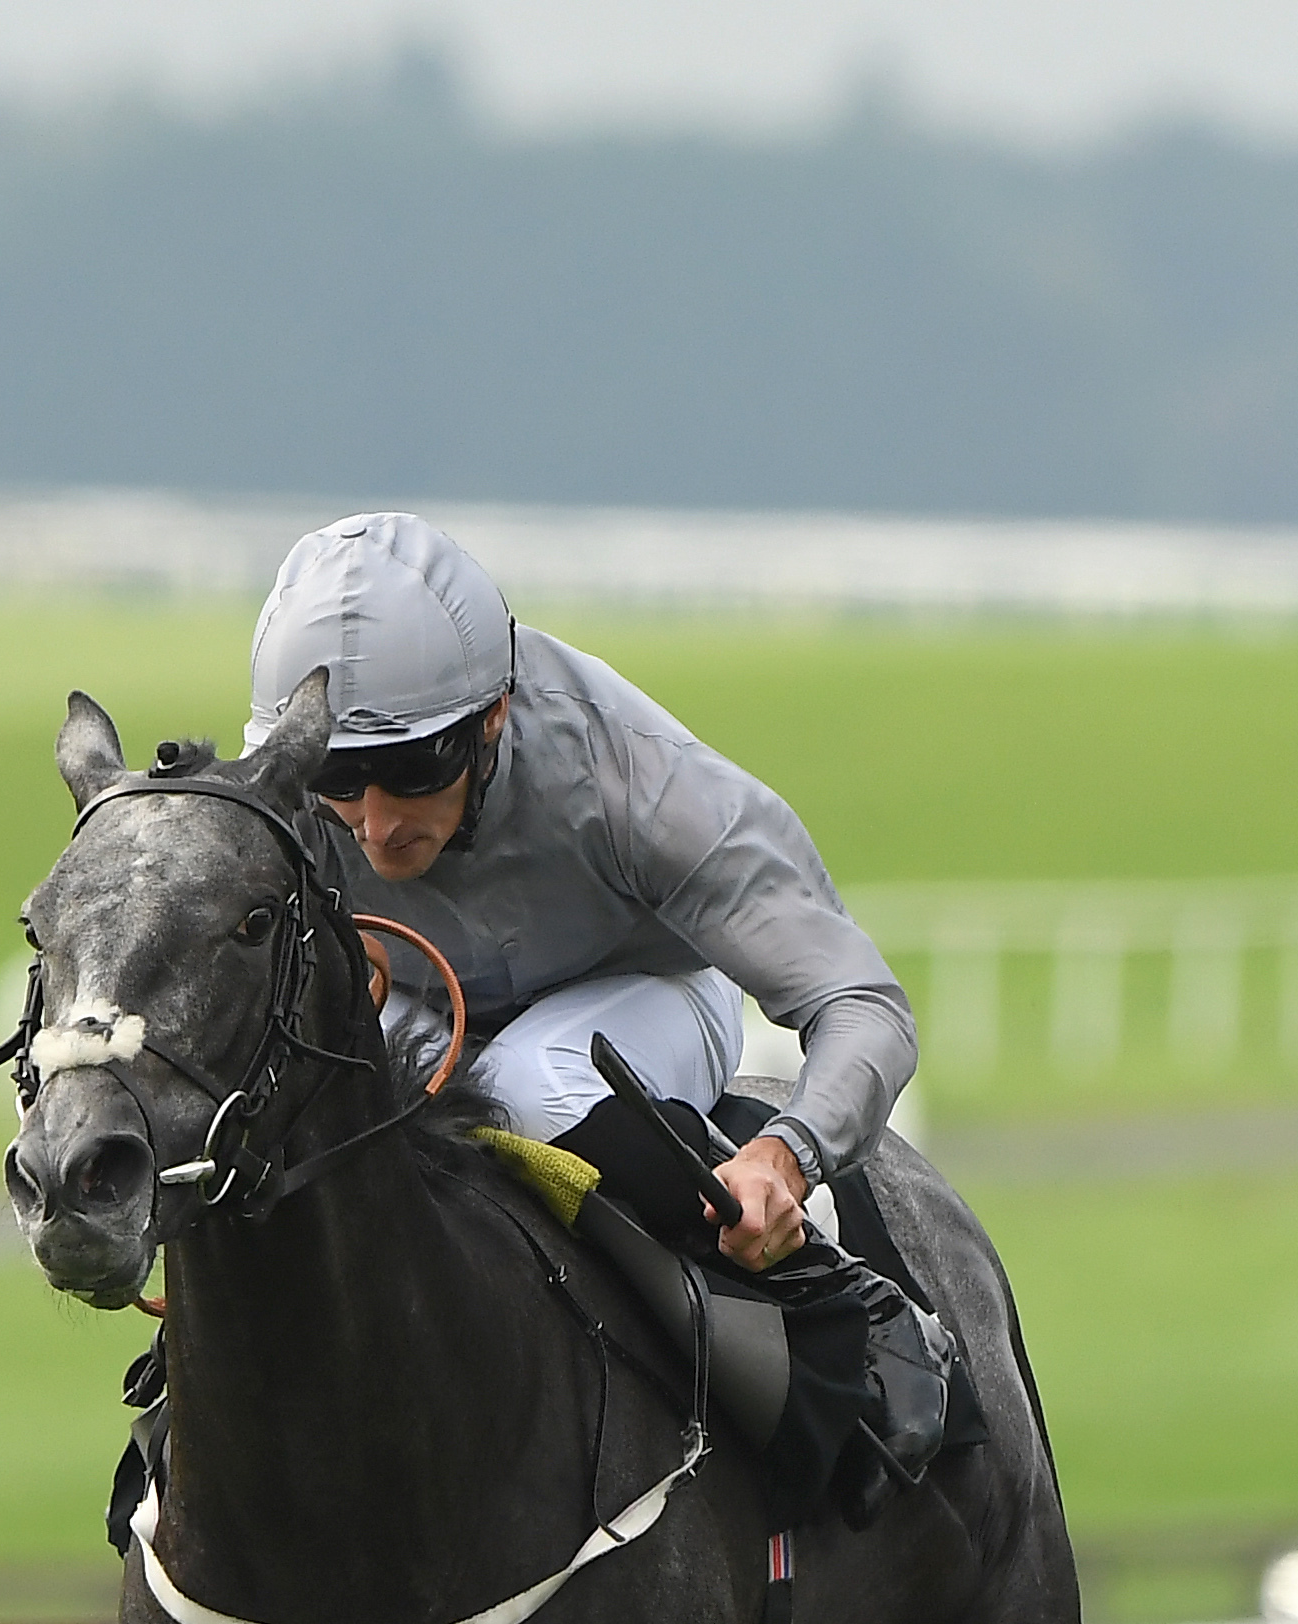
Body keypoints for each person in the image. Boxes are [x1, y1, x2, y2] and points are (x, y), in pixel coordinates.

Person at [241, 511, 914, 1273]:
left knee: (524, 1082)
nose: (376, 822)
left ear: (490, 717)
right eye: (338, 777)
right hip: (419, 1005)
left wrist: (786, 1156)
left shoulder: (642, 786)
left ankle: (813, 1279)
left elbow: (864, 1005)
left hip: (648, 994)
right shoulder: (275, 793)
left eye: (413, 771)